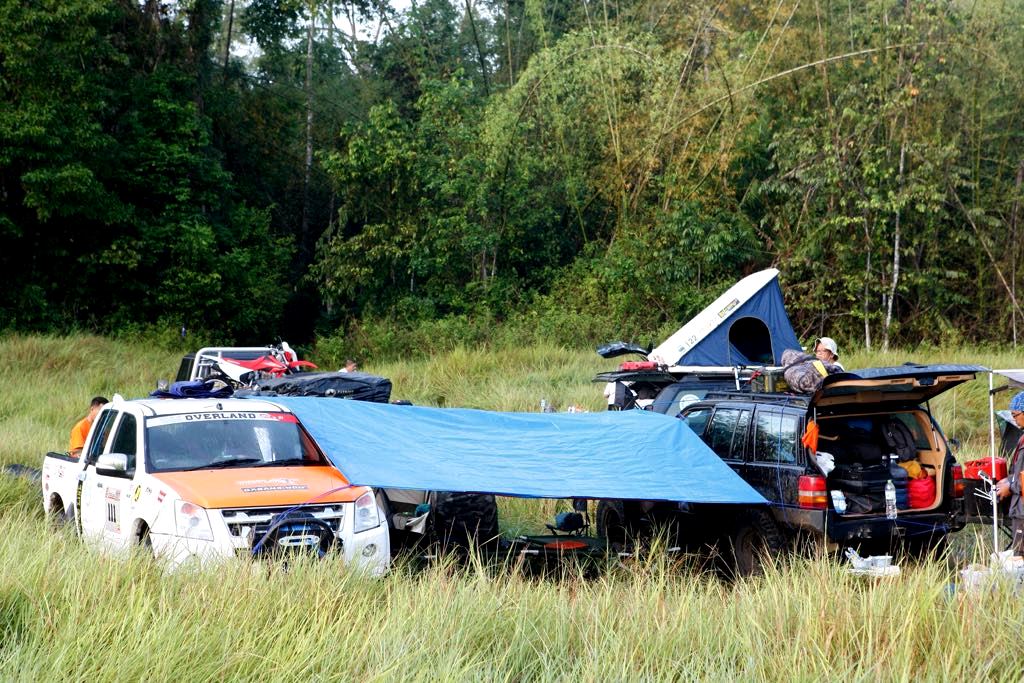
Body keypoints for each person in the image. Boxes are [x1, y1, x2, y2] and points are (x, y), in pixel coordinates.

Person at [997, 392, 1024, 554]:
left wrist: (1011, 486)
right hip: (1019, 507)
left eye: (1016, 415)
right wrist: (1007, 480)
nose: (1014, 419)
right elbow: (1019, 470)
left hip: (1023, 509)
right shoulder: (1022, 437)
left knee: (1020, 555)